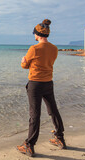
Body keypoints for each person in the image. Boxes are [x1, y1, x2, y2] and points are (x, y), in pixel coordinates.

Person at [16, 19, 66, 157]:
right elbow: (49, 63)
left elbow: (25, 66)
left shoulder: (34, 48)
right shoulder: (54, 49)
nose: (34, 36)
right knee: (53, 110)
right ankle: (59, 137)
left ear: (38, 34)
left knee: (34, 114)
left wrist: (23, 62)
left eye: (34, 33)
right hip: (48, 82)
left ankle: (29, 145)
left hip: (35, 84)